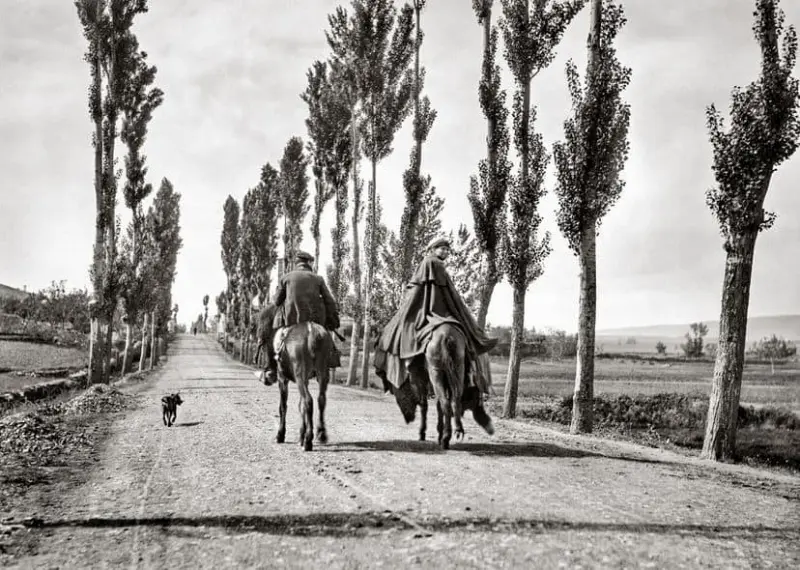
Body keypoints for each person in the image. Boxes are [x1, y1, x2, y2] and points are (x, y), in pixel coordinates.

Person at [373, 236, 497, 392]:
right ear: (433, 249)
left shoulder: (430, 263)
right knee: (468, 330)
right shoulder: (434, 263)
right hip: (435, 307)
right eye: (442, 249)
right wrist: (457, 308)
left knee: (395, 333)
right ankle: (472, 374)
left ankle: (408, 369)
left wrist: (409, 305)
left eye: (447, 250)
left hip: (428, 307)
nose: (445, 252)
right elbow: (444, 292)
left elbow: (423, 289)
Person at [259, 250, 341, 385]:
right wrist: (334, 319)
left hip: (290, 321)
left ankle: (270, 370)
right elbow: (329, 301)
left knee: (271, 337)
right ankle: (330, 360)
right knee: (325, 335)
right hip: (315, 321)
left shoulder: (285, 278)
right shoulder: (318, 279)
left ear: (296, 263)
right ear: (309, 263)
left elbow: (277, 302)